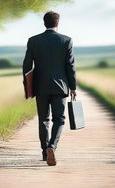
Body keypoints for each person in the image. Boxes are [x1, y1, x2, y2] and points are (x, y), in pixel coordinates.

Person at [23, 11, 76, 166]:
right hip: (60, 87)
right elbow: (70, 66)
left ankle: (44, 152)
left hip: (40, 87)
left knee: (43, 120)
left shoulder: (33, 41)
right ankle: (52, 146)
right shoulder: (66, 40)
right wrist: (72, 87)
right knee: (59, 119)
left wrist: (28, 87)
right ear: (57, 23)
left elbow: (27, 66)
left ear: (44, 23)